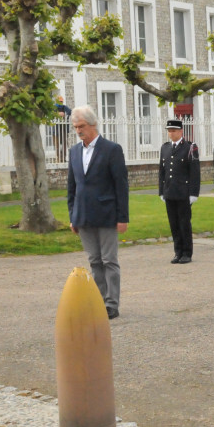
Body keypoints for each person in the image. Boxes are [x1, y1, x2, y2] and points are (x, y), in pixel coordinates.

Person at [67, 106, 129, 319]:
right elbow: (72, 187)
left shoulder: (111, 149)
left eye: (81, 126)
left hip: (107, 214)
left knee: (109, 260)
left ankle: (112, 303)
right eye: (75, 127)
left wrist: (122, 217)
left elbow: (121, 185)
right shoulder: (74, 151)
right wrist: (72, 216)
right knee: (94, 260)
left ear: (93, 125)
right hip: (83, 216)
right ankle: (99, 300)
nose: (78, 131)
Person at [159, 118, 200, 264]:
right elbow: (162, 171)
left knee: (184, 223)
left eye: (174, 131)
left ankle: (187, 253)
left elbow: (195, 172)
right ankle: (178, 252)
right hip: (170, 191)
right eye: (169, 131)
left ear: (181, 131)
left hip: (183, 192)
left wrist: (193, 193)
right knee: (173, 224)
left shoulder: (189, 147)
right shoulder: (165, 148)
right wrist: (161, 191)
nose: (171, 134)